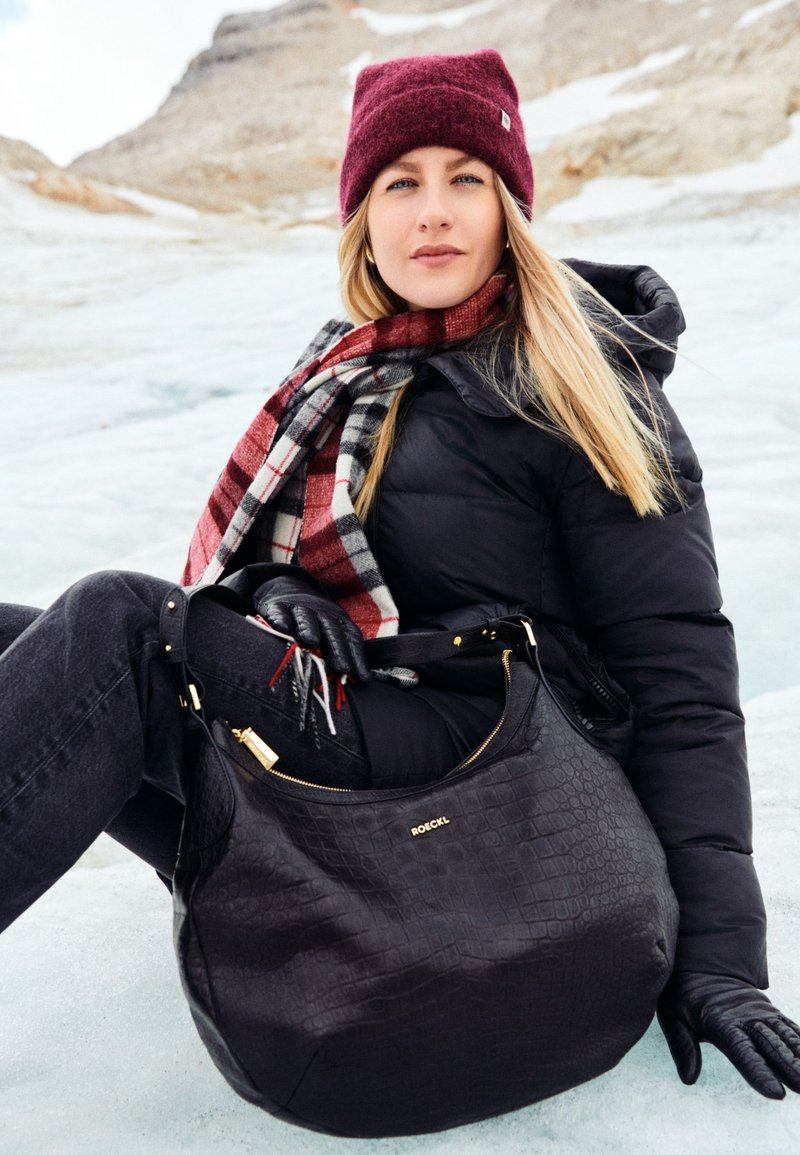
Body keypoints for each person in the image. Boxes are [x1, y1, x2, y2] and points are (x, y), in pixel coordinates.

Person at [2, 48, 799, 1106]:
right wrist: (274, 595)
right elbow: (279, 565)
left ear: (509, 208)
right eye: (399, 183)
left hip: (503, 771)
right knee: (24, 634)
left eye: (466, 178)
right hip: (373, 720)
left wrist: (722, 961)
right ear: (362, 219)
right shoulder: (352, 372)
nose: (433, 211)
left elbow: (681, 673)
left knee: (119, 624)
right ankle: (256, 881)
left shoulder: (579, 386)